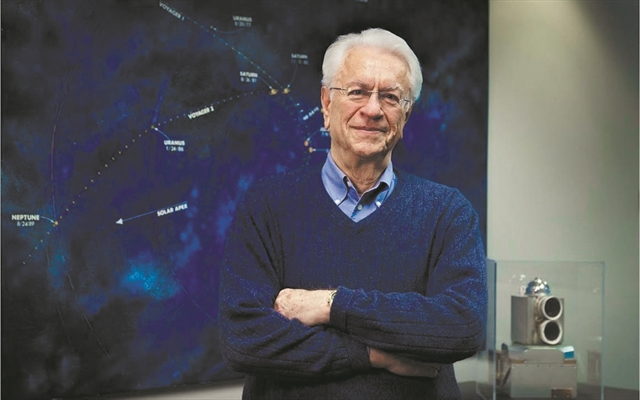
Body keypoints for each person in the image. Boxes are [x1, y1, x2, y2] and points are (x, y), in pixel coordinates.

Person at [219, 28, 487, 399]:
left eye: (390, 96)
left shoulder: (448, 213)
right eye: (357, 91)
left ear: (406, 114)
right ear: (326, 104)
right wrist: (374, 355)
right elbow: (244, 338)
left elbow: (462, 326)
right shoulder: (265, 205)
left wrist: (331, 305)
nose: (373, 109)